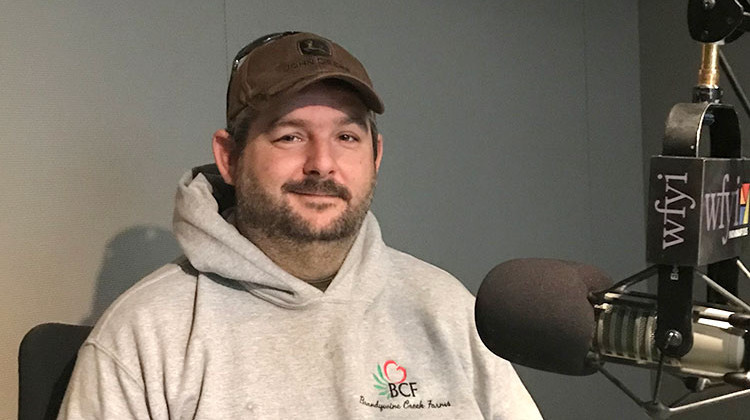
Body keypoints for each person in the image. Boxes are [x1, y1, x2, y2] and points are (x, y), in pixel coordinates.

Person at [59, 31, 541, 419]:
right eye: (290, 136)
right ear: (229, 157)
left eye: (347, 136)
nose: (322, 164)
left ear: (375, 156)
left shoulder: (447, 309)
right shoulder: (146, 335)